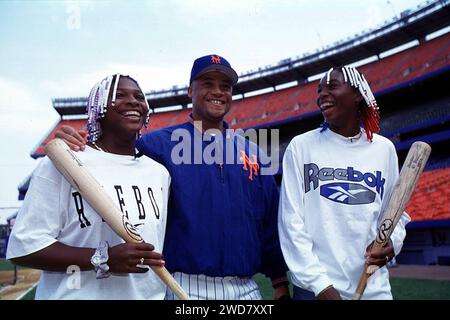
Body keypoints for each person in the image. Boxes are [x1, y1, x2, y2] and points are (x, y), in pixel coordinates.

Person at [55, 54, 290, 300]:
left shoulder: (253, 152)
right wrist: (78, 142)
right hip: (184, 285)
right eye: (208, 83)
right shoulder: (156, 145)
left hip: (248, 289)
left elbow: (268, 221)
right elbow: (111, 157)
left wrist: (279, 281)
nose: (218, 91)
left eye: (225, 86)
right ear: (190, 90)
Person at [7, 74, 170, 299]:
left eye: (139, 97)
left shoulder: (159, 173)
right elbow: (25, 247)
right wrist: (102, 259)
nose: (133, 101)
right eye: (119, 95)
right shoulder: (64, 162)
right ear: (97, 108)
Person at [278, 65, 411, 300]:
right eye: (319, 90)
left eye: (332, 87)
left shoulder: (384, 149)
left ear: (358, 94)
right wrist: (321, 286)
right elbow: (291, 223)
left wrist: (392, 242)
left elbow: (396, 213)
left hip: (373, 288)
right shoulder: (301, 147)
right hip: (315, 290)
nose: (322, 95)